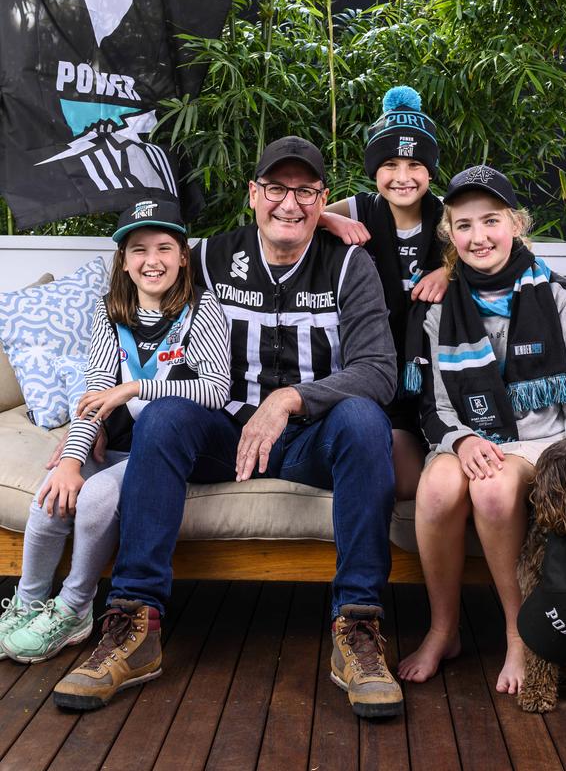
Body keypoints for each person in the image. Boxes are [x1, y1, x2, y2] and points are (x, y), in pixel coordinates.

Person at [53, 136, 404, 719]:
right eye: (275, 189)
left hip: (314, 438)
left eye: (305, 192)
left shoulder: (350, 263)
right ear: (252, 195)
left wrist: (291, 398)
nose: (288, 204)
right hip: (226, 434)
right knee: (163, 418)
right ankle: (133, 624)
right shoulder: (211, 256)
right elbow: (139, 281)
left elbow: (378, 372)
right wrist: (75, 444)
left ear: (323, 200)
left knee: (367, 420)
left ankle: (359, 629)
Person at [397, 165, 566, 693]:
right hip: (467, 437)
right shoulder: (437, 307)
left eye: (490, 220)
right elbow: (432, 408)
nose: (478, 236)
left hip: (543, 444)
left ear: (515, 223)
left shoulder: (556, 297)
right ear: (450, 235)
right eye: (463, 225)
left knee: (491, 492)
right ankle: (443, 630)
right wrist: (462, 440)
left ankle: (519, 635)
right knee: (440, 487)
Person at [0, 198, 230, 666]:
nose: (153, 260)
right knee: (52, 496)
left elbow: (216, 390)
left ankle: (76, 606)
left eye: (164, 247)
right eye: (139, 249)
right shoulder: (110, 314)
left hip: (161, 454)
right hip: (115, 443)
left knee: (97, 497)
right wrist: (69, 461)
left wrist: (134, 388)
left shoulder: (202, 309)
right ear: (123, 261)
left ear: (183, 256)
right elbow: (94, 398)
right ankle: (28, 602)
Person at [323, 85, 448, 499]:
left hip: (440, 374)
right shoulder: (360, 208)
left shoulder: (448, 215)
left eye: (415, 164)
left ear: (430, 171)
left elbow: (498, 248)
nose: (402, 177)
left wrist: (449, 270)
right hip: (380, 373)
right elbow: (298, 214)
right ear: (375, 170)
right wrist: (331, 221)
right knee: (402, 483)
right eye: (390, 164)